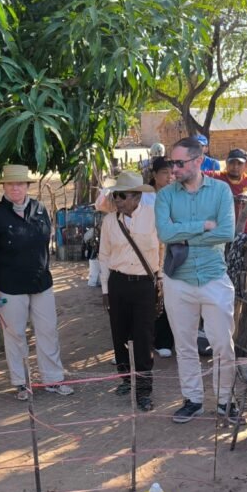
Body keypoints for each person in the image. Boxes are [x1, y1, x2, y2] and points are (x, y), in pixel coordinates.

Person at [155, 137, 237, 423]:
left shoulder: (221, 191)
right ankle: (193, 399)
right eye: (171, 163)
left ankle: (226, 400)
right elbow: (165, 234)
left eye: (179, 163)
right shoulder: (166, 195)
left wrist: (183, 234)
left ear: (198, 161)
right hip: (179, 279)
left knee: (223, 344)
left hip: (214, 276)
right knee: (185, 344)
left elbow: (226, 232)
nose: (174, 169)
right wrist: (202, 226)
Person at [0, 165, 73, 400]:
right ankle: (22, 383)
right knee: (16, 335)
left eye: (20, 184)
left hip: (41, 283)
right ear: (4, 187)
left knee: (48, 331)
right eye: (10, 184)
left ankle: (53, 379)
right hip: (10, 287)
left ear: (27, 186)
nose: (15, 188)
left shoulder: (40, 209)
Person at [98, 171, 159, 411]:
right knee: (119, 334)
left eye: (122, 196)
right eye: (115, 196)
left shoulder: (154, 217)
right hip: (118, 283)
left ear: (136, 197)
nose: (118, 201)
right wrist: (104, 289)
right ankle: (125, 378)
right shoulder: (109, 222)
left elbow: (162, 248)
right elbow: (103, 256)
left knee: (144, 338)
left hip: (144, 284)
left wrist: (160, 278)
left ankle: (144, 391)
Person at [149, 158, 175, 358]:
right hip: (147, 253)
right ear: (155, 175)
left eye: (172, 173)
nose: (169, 177)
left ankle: (163, 340)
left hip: (169, 252)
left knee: (168, 298)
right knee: (148, 298)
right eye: (165, 172)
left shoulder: (176, 195)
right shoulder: (144, 197)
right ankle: (145, 339)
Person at [210, 148, 247, 234]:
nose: (235, 167)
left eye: (239, 163)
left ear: (245, 165)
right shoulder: (214, 177)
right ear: (226, 163)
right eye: (232, 163)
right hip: (221, 232)